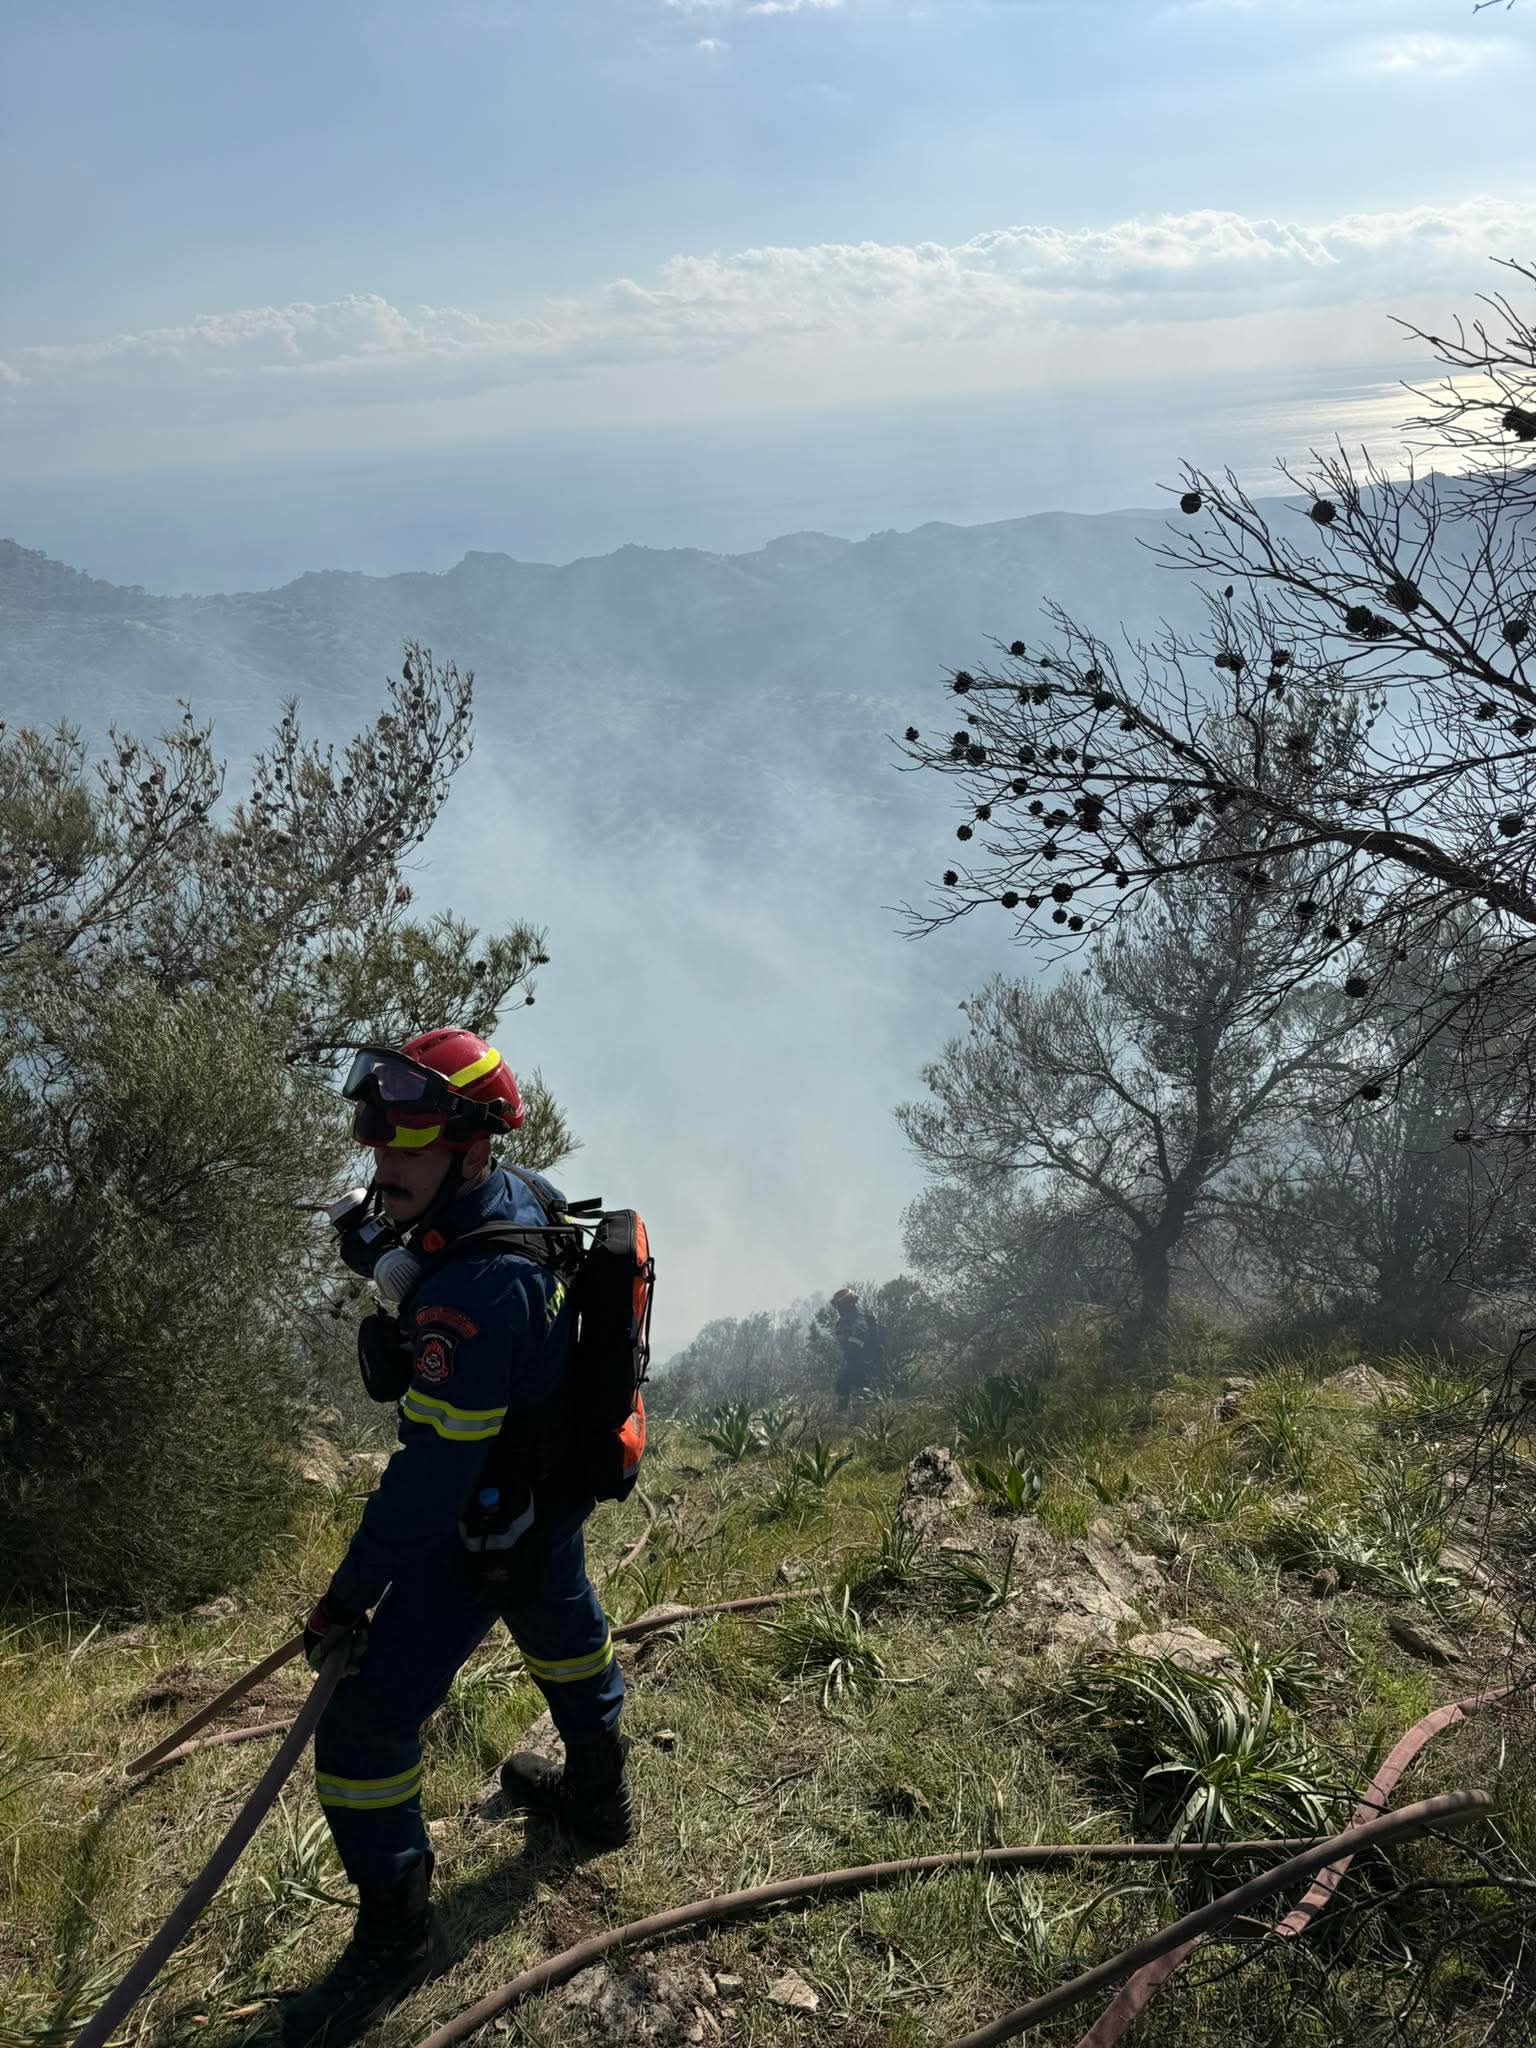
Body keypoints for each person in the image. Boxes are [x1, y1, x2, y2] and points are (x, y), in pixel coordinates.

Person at [285, 1028, 628, 2045]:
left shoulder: (476, 1296)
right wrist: (394, 1249)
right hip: (545, 1491)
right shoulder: (519, 1193)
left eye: (405, 1152)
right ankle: (601, 1800)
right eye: (377, 1147)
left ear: (471, 1148)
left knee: (361, 1725)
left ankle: (396, 1934)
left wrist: (346, 1598)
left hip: (478, 1522)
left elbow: (427, 1482)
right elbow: (457, 1259)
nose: (380, 1168)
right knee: (564, 1628)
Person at [830, 1284, 880, 1410]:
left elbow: (858, 1341)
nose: (838, 1309)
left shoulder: (859, 1320)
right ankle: (865, 1414)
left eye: (840, 1306)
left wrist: (851, 1350)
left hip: (863, 1361)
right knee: (853, 1386)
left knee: (842, 1385)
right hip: (855, 1361)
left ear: (849, 1304)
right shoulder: (845, 1321)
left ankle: (844, 1416)